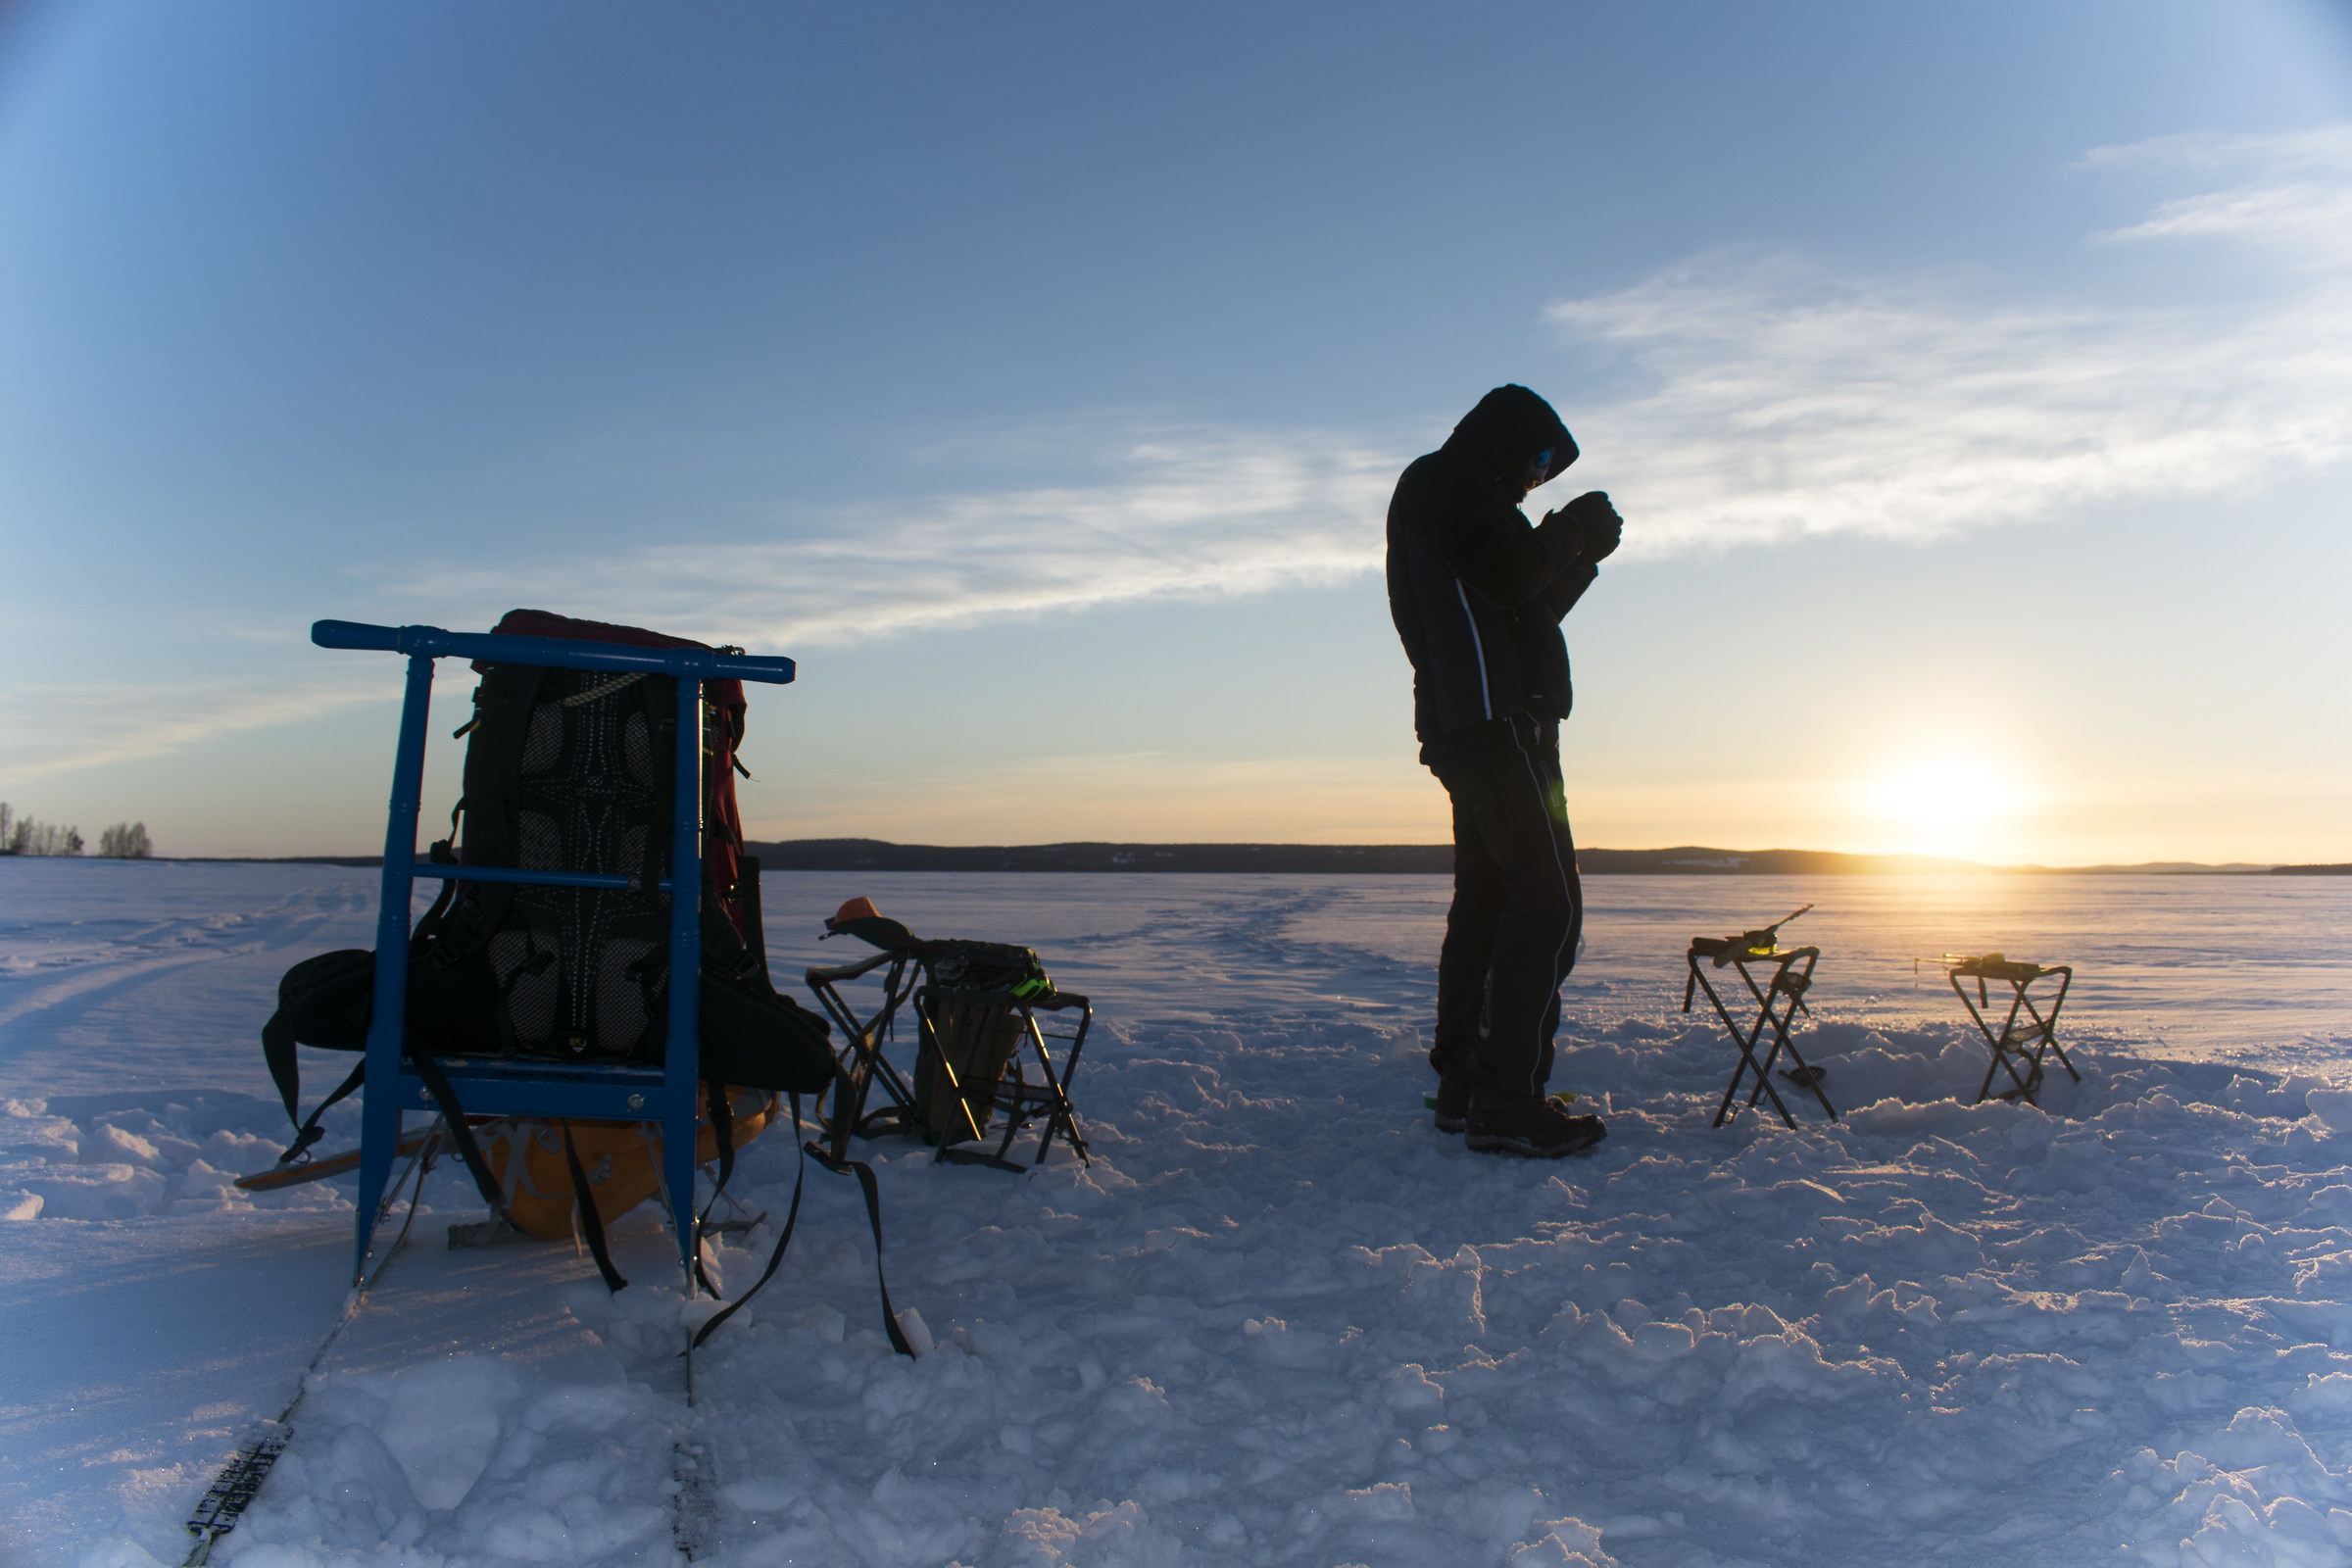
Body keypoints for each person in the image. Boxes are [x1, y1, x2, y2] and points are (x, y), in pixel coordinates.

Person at [1385, 384, 1622, 1157]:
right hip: (1492, 723)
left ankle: (1468, 1087)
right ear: (1510, 440)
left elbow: (1523, 607)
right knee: (1550, 905)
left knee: (1491, 903)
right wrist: (1572, 528)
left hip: (1488, 722)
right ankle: (1505, 1095)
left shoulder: (1467, 500)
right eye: (1538, 462)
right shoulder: (1444, 484)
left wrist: (1579, 556)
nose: (1536, 480)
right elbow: (1511, 576)